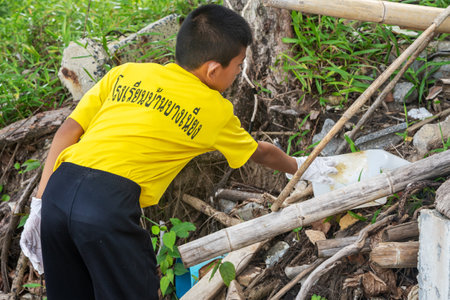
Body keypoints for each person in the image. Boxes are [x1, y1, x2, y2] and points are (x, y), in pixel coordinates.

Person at [20, 4, 336, 300]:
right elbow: (261, 153)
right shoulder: (214, 110)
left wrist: (39, 203)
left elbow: (68, 132)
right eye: (238, 66)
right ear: (214, 69)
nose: (238, 73)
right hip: (107, 207)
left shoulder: (127, 73)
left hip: (58, 194)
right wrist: (302, 166)